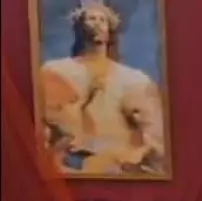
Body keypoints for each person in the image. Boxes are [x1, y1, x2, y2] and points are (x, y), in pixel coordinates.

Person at [38, 0, 167, 176]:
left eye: (102, 20)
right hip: (69, 166)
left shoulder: (134, 79)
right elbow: (45, 126)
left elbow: (155, 136)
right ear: (79, 27)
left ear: (110, 30)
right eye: (91, 18)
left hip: (118, 167)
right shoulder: (56, 71)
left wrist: (133, 156)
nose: (97, 24)